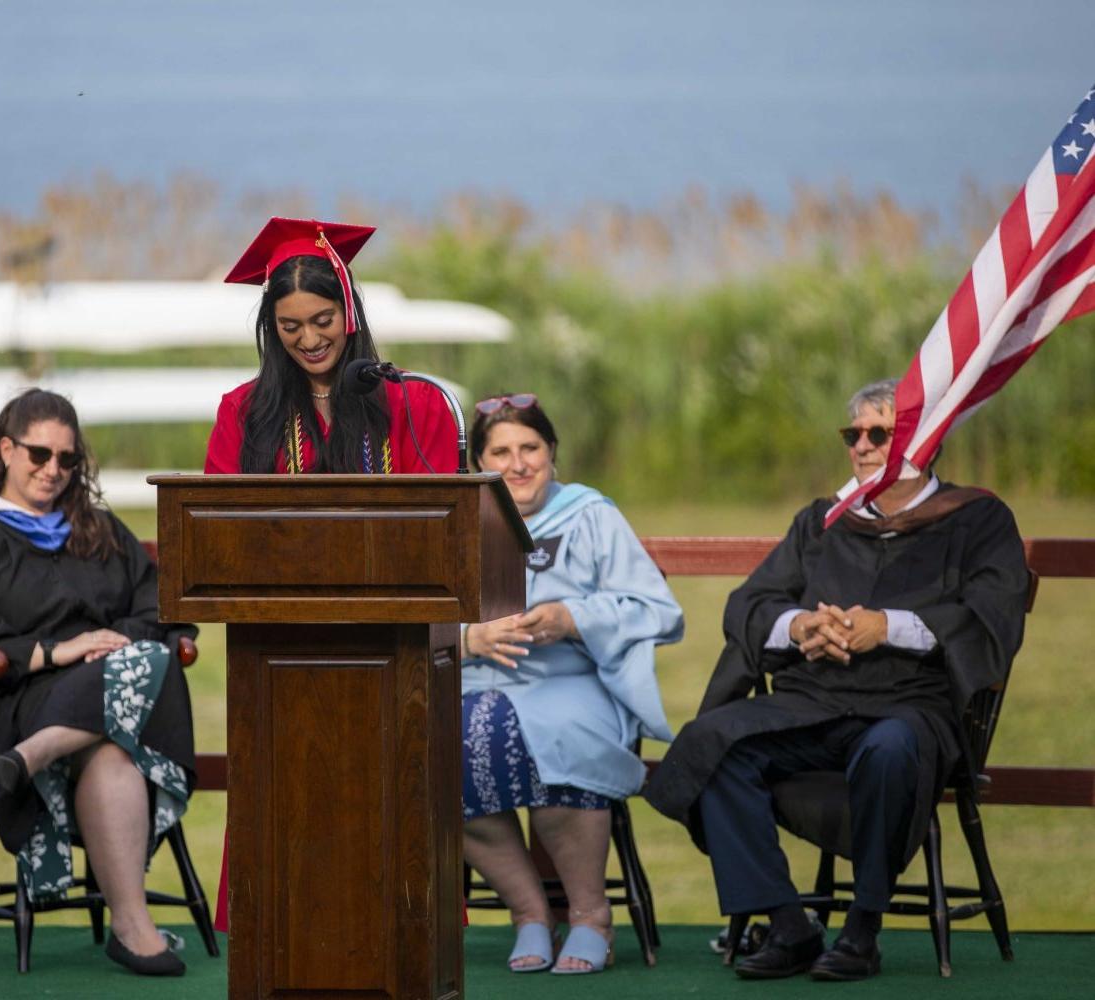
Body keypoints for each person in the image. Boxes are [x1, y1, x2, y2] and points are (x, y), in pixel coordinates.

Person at [644, 378, 1030, 982]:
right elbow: (752, 602)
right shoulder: (823, 522)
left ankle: (862, 929)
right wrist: (799, 626)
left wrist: (890, 627)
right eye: (854, 435)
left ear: (924, 441)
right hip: (812, 701)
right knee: (713, 743)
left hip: (910, 707)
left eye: (880, 433)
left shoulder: (977, 520)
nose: (863, 446)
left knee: (890, 748)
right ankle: (788, 923)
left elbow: (992, 613)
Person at [0, 388, 198, 977]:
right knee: (146, 670)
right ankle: (39, 746)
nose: (53, 470)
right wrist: (57, 650)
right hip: (20, 704)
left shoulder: (95, 528)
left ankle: (132, 929)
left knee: (139, 678)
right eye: (38, 455)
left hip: (94, 708)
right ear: (5, 450)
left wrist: (110, 642)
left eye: (67, 460)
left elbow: (161, 600)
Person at [460, 394, 684, 974]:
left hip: (575, 679)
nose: (518, 464)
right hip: (475, 680)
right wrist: (467, 638)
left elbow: (658, 610)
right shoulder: (459, 520)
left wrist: (573, 618)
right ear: (477, 462)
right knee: (436, 748)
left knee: (555, 735)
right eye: (500, 452)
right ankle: (530, 912)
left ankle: (590, 916)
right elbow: (417, 614)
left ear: (552, 452)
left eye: (530, 448)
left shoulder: (590, 515)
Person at [203, 216, 458, 475]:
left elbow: (444, 507)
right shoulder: (243, 412)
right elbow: (213, 510)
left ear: (349, 311)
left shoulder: (413, 400)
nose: (310, 340)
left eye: (324, 321)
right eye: (291, 327)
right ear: (273, 326)